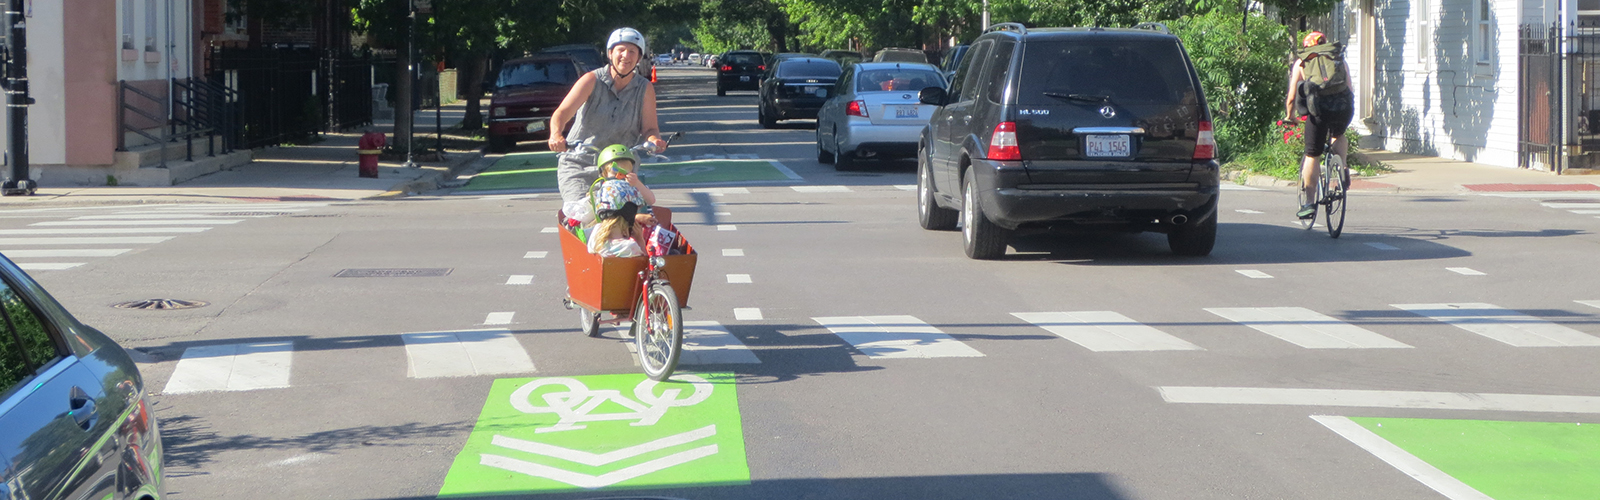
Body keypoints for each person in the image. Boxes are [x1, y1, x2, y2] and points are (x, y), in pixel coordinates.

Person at [547, 27, 668, 208]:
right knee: (582, 214)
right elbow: (562, 112)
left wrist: (655, 140)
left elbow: (650, 129)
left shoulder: (645, 88)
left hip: (619, 169)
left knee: (626, 219)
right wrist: (556, 134)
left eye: (632, 51)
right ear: (610, 53)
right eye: (620, 50)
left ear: (639, 57)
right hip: (581, 164)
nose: (626, 56)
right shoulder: (591, 80)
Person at [1284, 31, 1355, 219]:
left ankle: (1309, 202)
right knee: (1338, 134)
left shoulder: (1302, 61)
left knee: (1312, 153)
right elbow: (1349, 87)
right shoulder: (1338, 58)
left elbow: (1292, 97)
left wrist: (1290, 116)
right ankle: (1343, 167)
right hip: (1343, 107)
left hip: (1318, 111)